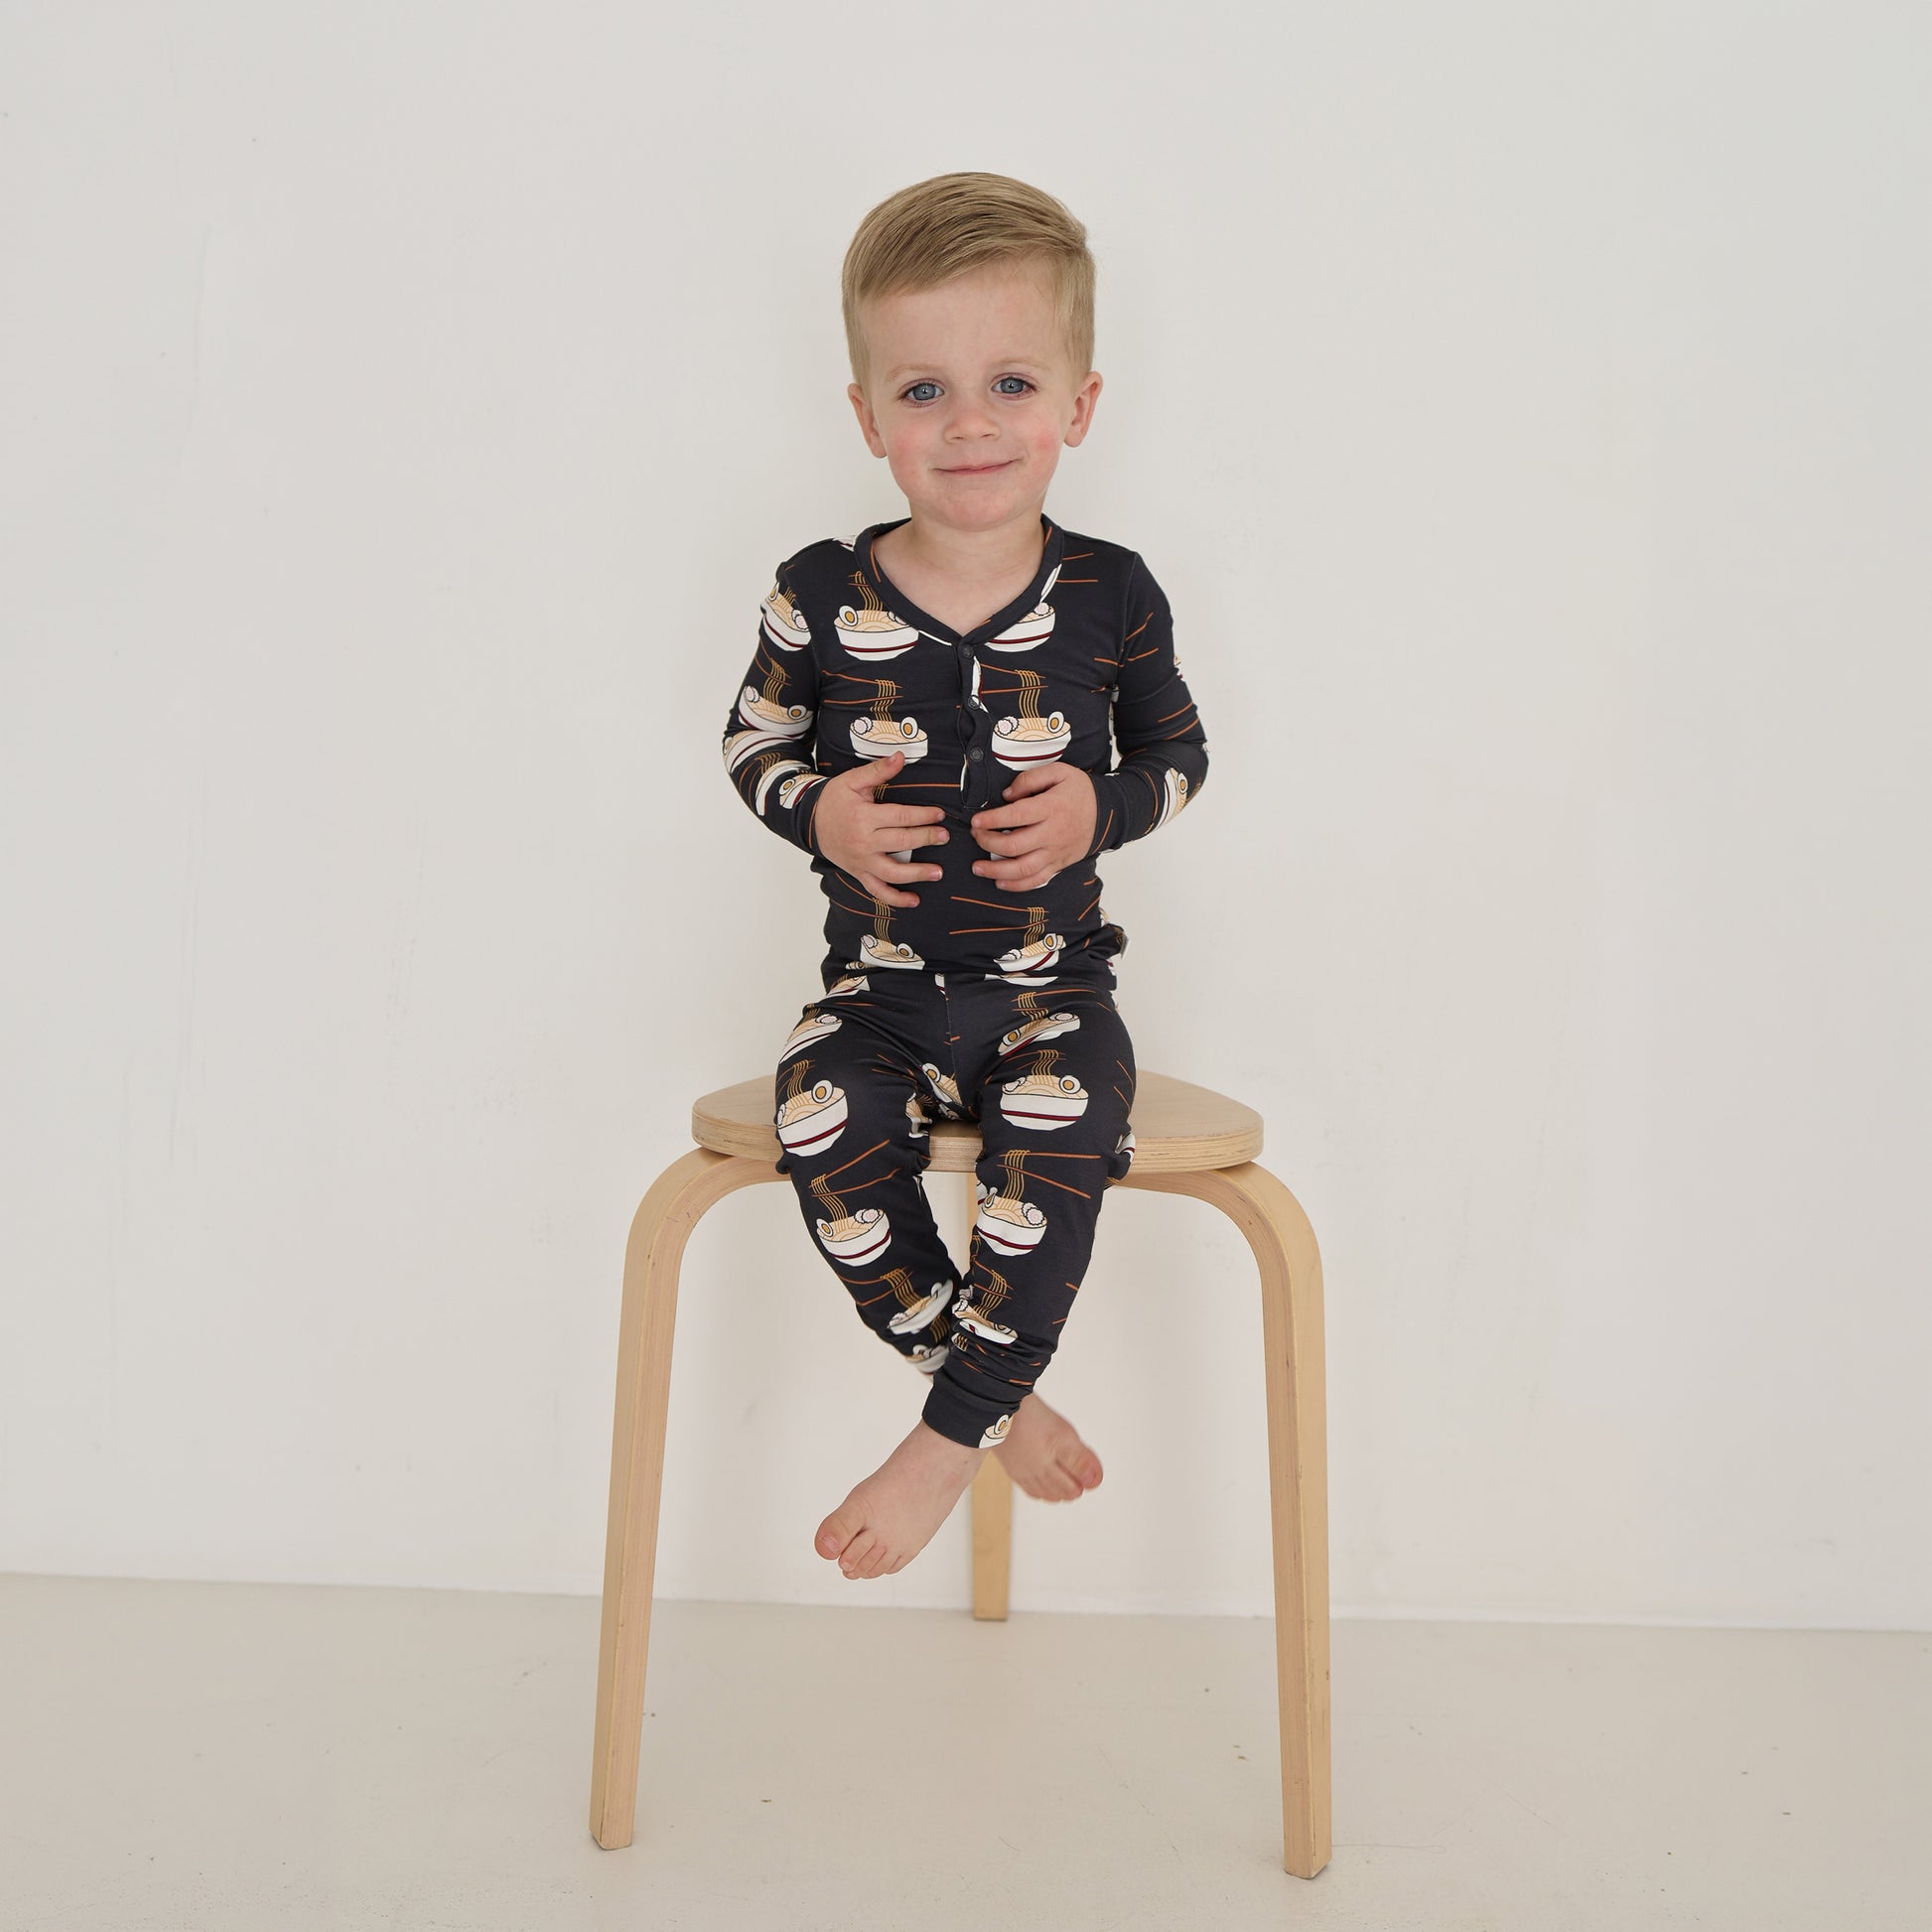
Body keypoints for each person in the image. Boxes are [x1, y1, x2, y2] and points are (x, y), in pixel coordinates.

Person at [720, 172, 1209, 1582]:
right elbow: (750, 739)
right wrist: (818, 813)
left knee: (1053, 1149)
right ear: (867, 418)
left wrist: (1095, 810)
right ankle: (999, 1393)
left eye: (1008, 381)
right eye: (923, 392)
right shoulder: (817, 590)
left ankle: (941, 1438)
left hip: (1049, 996)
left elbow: (1178, 754)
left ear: (1079, 402)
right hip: (877, 995)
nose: (971, 424)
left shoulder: (1111, 591)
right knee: (815, 1120)